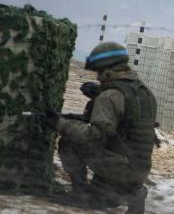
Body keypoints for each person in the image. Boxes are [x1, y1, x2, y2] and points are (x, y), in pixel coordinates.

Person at [42, 42, 157, 213]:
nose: (98, 78)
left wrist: (61, 124)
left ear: (108, 71)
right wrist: (99, 95)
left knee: (69, 140)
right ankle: (133, 191)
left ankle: (79, 193)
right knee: (102, 199)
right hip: (140, 168)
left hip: (119, 168)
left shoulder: (110, 96)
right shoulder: (144, 92)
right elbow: (128, 124)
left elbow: (95, 136)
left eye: (99, 72)